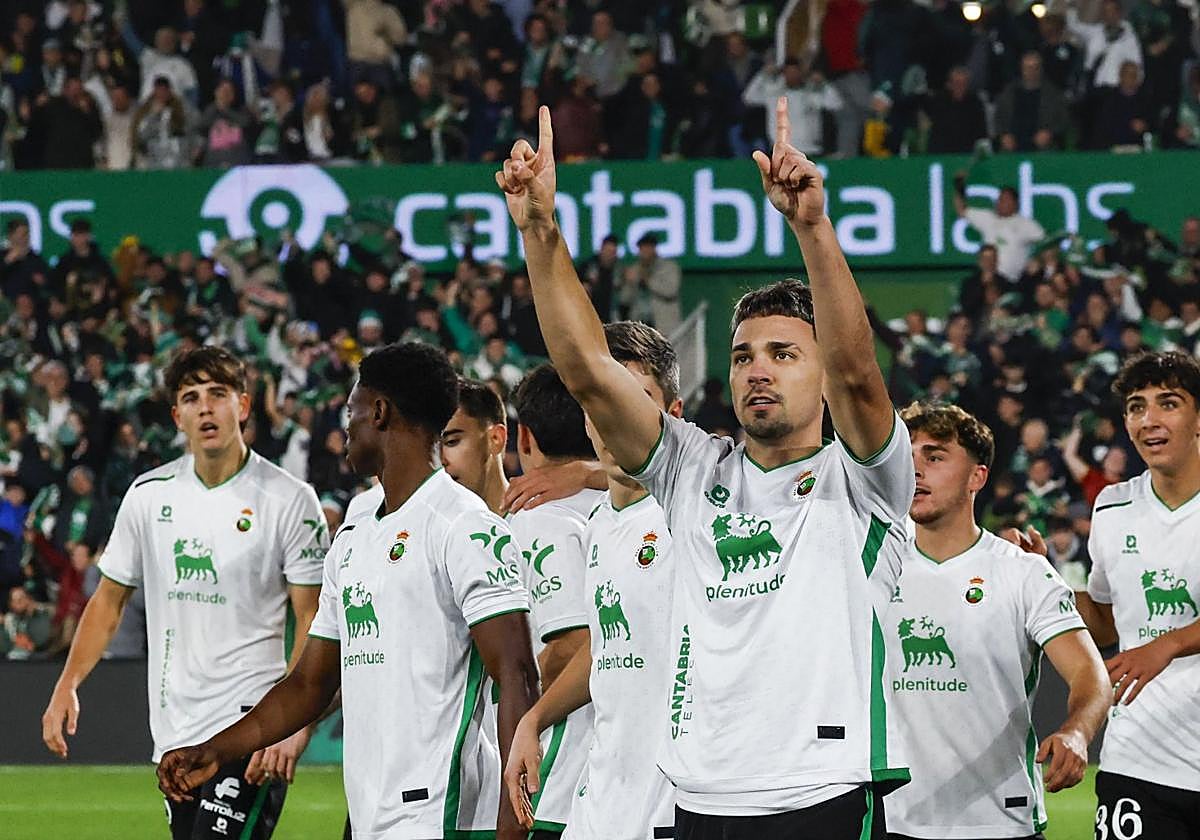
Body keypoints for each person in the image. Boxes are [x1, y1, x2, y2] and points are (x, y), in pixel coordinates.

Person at [496, 99, 913, 837]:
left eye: (784, 354)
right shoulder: (693, 469)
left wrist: (811, 228)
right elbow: (587, 370)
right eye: (744, 355)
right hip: (699, 795)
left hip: (821, 790)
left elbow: (857, 373)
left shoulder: (865, 479)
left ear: (818, 375)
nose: (758, 370)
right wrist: (539, 231)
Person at [157, 343, 539, 840]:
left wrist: (512, 824)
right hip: (368, 815)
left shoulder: (464, 526)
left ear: (379, 412)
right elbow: (308, 684)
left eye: (351, 411)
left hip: (445, 817)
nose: (345, 428)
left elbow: (516, 674)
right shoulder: (357, 527)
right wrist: (216, 749)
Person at [42, 346, 328, 839]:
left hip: (251, 725)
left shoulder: (289, 500)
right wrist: (67, 683)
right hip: (175, 731)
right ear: (177, 416)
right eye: (191, 398)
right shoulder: (149, 495)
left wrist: (295, 722)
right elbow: (108, 601)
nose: (205, 408)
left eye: (218, 394)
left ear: (243, 405)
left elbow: (313, 617)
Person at [881, 403, 1109, 839]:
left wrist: (1077, 733)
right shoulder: (874, 564)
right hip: (893, 821)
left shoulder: (1022, 571)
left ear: (977, 477)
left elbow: (1090, 674)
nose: (916, 470)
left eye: (934, 456)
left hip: (1000, 821)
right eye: (907, 458)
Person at [505, 321, 683, 839]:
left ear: (674, 415)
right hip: (599, 798)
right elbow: (604, 648)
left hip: (669, 805)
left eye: (637, 401)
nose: (618, 421)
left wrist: (586, 472)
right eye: (604, 403)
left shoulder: (691, 511)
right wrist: (533, 720)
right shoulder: (602, 523)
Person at [1076, 351, 1200, 840]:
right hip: (1137, 759)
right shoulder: (1112, 506)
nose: (1149, 419)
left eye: (1168, 403)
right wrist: (1039, 579)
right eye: (1136, 407)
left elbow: (1157, 646)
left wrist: (1166, 645)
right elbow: (1105, 622)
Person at [507, 365, 604, 839]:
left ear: (523, 437)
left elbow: (571, 644)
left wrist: (518, 707)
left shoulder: (540, 518)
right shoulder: (630, 508)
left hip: (565, 777)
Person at [953, 177, 1045, 282]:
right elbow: (961, 210)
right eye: (999, 199)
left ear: (1015, 203)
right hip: (987, 279)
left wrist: (1037, 261)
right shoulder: (987, 218)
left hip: (1012, 281)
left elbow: (1046, 243)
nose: (1000, 202)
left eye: (1005, 199)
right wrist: (959, 187)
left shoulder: (1026, 224)